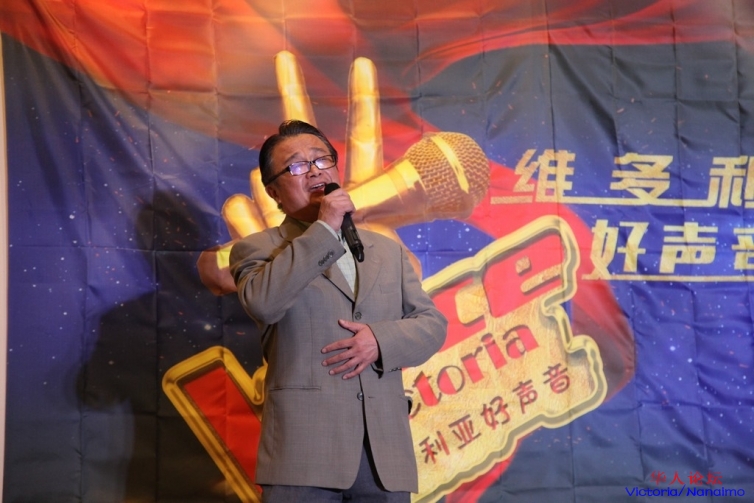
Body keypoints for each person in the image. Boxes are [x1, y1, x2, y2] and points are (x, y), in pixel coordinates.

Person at [229, 120, 448, 502]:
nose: (314, 171)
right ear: (273, 192)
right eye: (297, 166)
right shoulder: (258, 249)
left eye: (322, 160)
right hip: (303, 455)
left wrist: (379, 340)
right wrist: (326, 226)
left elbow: (431, 325)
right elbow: (263, 302)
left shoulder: (388, 250)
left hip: (383, 457)